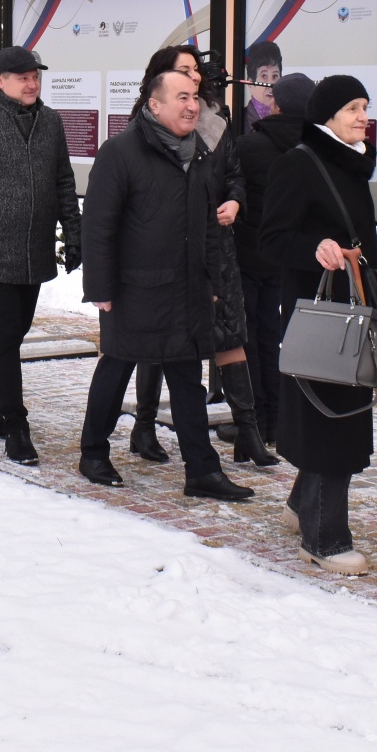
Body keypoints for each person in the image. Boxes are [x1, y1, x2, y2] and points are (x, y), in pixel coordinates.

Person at [77, 68, 253, 502]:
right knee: (116, 370)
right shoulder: (119, 152)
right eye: (182, 97)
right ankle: (93, 453)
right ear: (154, 105)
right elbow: (98, 226)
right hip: (135, 290)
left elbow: (210, 227)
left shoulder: (200, 154)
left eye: (195, 97)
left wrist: (210, 280)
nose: (193, 105)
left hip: (188, 289)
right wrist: (100, 287)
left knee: (187, 380)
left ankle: (202, 471)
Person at [263, 74, 377, 576]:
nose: (364, 116)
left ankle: (303, 504)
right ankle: (323, 538)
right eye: (353, 109)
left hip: (358, 308)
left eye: (365, 106)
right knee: (331, 421)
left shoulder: (351, 164)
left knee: (341, 411)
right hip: (322, 318)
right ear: (327, 118)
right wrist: (314, 247)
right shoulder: (298, 164)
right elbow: (271, 240)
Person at [125, 45, 266, 469]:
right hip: (171, 244)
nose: (195, 79)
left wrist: (235, 202)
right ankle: (144, 425)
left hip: (216, 245)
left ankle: (248, 431)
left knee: (230, 332)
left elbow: (235, 175)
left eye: (196, 71)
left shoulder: (216, 121)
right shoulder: (147, 123)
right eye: (183, 72)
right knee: (160, 336)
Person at [0, 46, 81, 465]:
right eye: (22, 77)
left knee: (14, 332)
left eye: (35, 76)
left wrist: (73, 232)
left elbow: (63, 179)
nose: (31, 83)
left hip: (36, 249)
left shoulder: (51, 121)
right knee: (6, 337)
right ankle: (15, 425)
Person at [233, 71, 316, 447]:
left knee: (249, 339)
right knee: (278, 338)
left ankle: (256, 420)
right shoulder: (315, 147)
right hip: (292, 261)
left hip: (250, 258)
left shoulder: (251, 146)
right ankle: (281, 419)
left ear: (276, 104)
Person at [244, 40, 284, 127]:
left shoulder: (287, 119)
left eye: (275, 76)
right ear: (250, 83)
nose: (270, 84)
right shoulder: (239, 121)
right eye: (264, 76)